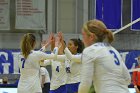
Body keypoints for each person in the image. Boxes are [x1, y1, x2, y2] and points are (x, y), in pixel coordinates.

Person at [78, 19, 131, 93]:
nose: (82, 40)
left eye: (83, 35)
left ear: (91, 37)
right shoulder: (113, 50)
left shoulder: (90, 51)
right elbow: (128, 79)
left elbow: (85, 83)